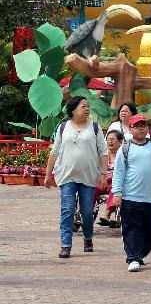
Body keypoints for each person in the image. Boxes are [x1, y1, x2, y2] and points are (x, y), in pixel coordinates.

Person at [43, 96, 109, 258]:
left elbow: (103, 152)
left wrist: (103, 174)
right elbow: (54, 151)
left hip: (88, 176)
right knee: (67, 210)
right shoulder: (63, 127)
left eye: (88, 106)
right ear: (73, 109)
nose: (87, 109)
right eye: (83, 106)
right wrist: (47, 174)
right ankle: (66, 245)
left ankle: (87, 237)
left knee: (86, 212)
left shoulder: (94, 127)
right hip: (67, 175)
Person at [111, 115, 151, 272]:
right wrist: (117, 193)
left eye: (143, 125)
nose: (140, 128)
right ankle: (133, 257)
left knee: (150, 229)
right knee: (132, 228)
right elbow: (118, 172)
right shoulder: (125, 148)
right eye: (136, 126)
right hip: (130, 197)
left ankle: (142, 253)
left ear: (147, 128)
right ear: (130, 129)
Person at [98, 130, 124, 228]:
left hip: (116, 182)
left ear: (120, 142)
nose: (110, 142)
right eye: (108, 140)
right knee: (91, 189)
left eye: (113, 140)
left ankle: (107, 215)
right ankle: (85, 213)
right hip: (103, 181)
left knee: (115, 189)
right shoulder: (102, 155)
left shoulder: (123, 155)